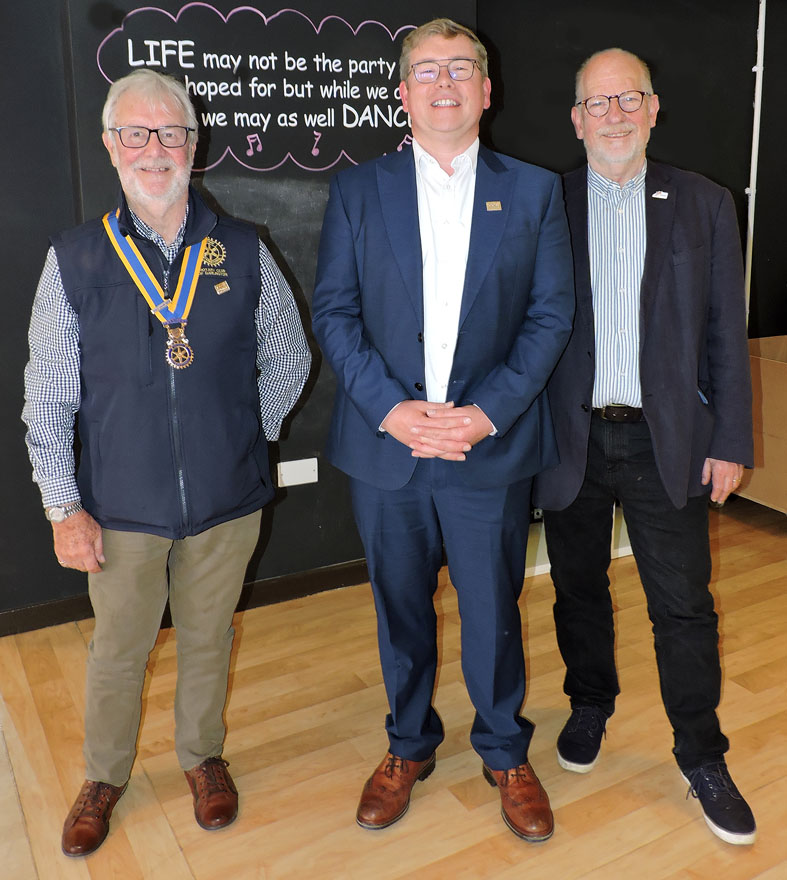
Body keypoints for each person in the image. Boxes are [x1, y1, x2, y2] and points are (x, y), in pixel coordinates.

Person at [21, 68, 310, 857]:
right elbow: (46, 396)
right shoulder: (76, 260)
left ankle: (201, 757)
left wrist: (248, 437)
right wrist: (61, 505)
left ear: (194, 144)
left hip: (228, 501)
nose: (156, 150)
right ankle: (106, 774)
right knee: (119, 651)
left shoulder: (244, 249)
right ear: (112, 146)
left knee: (210, 637)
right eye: (137, 134)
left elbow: (288, 359)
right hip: (120, 509)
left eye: (171, 132)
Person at [312, 18, 574, 842]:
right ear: (403, 92)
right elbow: (336, 311)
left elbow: (549, 316)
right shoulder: (358, 191)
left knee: (494, 605)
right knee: (400, 607)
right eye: (427, 70)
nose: (445, 82)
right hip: (388, 446)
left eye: (462, 68)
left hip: (485, 447)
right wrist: (391, 410)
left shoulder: (532, 192)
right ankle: (408, 744)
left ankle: (502, 748)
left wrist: (483, 413)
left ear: (486, 91)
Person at [533, 48, 756, 845]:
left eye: (627, 100)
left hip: (669, 443)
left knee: (683, 609)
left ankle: (701, 753)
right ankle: (590, 703)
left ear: (652, 108)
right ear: (575, 119)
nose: (613, 115)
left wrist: (729, 438)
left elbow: (725, 334)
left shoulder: (702, 203)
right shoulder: (544, 203)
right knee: (578, 591)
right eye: (596, 103)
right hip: (571, 440)